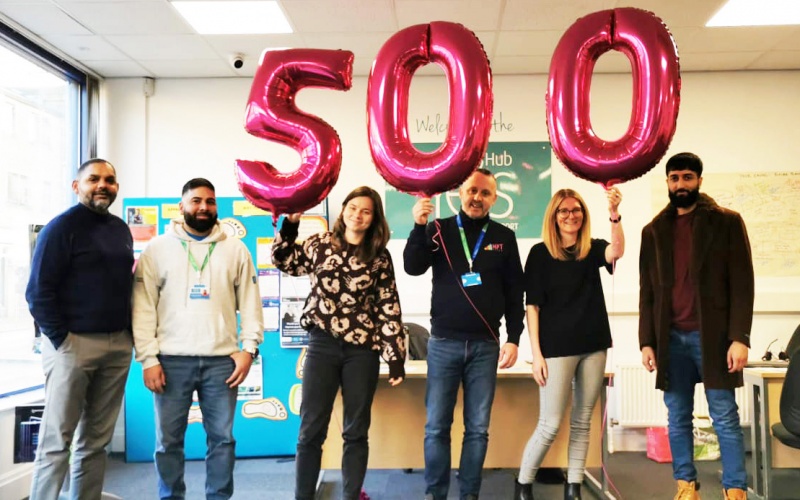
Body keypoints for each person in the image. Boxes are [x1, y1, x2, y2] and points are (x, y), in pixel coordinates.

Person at [132, 178, 263, 500]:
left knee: (222, 440)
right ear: (182, 206)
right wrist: (148, 359)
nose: (203, 207)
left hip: (222, 362)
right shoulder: (157, 249)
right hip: (170, 361)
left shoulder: (235, 249)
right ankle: (170, 496)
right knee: (168, 442)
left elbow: (250, 302)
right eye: (196, 201)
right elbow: (143, 307)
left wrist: (249, 349)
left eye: (209, 201)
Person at [272, 186, 406, 500]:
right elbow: (284, 261)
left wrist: (395, 355)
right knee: (310, 431)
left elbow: (388, 305)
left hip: (362, 352)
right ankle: (303, 495)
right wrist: (290, 225)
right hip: (322, 345)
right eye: (352, 207)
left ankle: (350, 495)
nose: (357, 215)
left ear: (374, 219)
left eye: (366, 211)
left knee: (355, 431)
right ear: (343, 209)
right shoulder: (319, 244)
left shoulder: (379, 257)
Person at [404, 168, 525, 500]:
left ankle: (469, 494)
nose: (477, 198)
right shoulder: (438, 230)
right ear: (460, 193)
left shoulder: (504, 236)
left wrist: (514, 338)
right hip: (443, 344)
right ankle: (435, 495)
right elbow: (412, 267)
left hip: (486, 347)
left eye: (485, 193)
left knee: (478, 430)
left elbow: (516, 293)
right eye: (472, 191)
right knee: (436, 428)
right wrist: (417, 226)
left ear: (494, 199)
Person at [639, 152, 754, 500]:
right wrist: (647, 341)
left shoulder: (727, 223)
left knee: (724, 416)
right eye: (674, 178)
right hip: (670, 339)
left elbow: (742, 284)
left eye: (687, 177)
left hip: (715, 338)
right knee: (677, 418)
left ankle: (735, 489)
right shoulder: (654, 231)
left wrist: (739, 338)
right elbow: (647, 293)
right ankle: (685, 485)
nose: (681, 185)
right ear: (668, 183)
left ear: (700, 181)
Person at [25, 158, 133, 500]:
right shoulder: (60, 229)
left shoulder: (120, 229)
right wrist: (62, 341)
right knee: (57, 441)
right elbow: (38, 292)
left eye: (110, 180)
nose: (103, 185)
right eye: (94, 179)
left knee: (96, 441)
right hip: (73, 346)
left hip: (117, 346)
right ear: (77, 186)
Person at [514, 187, 624, 500]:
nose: (570, 216)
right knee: (549, 423)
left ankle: (573, 486)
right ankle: (523, 484)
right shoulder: (539, 253)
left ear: (583, 215)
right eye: (564, 211)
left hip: (593, 344)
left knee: (582, 420)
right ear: (554, 216)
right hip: (556, 348)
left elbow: (616, 252)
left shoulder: (592, 249)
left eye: (576, 210)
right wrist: (536, 354)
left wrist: (614, 215)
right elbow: (531, 306)